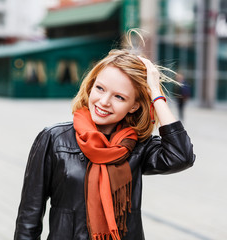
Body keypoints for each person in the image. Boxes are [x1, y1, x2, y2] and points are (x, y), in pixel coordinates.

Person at [14, 39, 195, 240]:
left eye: (119, 97)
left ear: (134, 106)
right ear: (91, 86)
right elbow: (28, 218)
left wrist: (155, 93)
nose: (104, 102)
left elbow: (181, 156)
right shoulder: (54, 139)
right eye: (100, 88)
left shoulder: (137, 146)